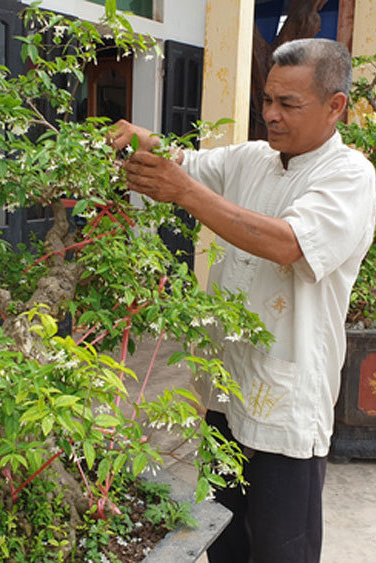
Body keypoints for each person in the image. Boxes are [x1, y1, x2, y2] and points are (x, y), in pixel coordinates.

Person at [111, 38, 376, 563]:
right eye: (267, 100)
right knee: (223, 536)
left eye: (288, 104)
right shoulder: (254, 158)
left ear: (335, 106)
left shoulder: (350, 176)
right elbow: (185, 160)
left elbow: (288, 243)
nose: (271, 115)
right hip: (223, 391)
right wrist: (140, 139)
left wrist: (183, 192)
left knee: (283, 549)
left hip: (287, 401)